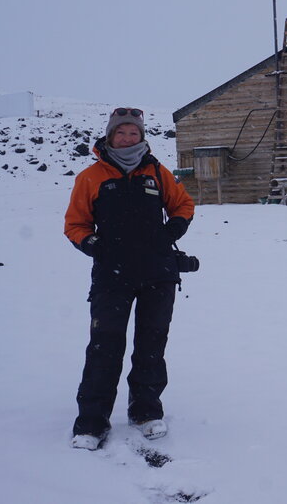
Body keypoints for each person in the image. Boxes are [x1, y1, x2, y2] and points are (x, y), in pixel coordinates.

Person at [63, 107, 195, 450]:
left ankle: (146, 411)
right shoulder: (91, 177)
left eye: (133, 133)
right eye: (121, 133)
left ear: (142, 137)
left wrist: (175, 227)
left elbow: (183, 204)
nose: (127, 138)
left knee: (151, 346)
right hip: (112, 276)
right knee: (104, 348)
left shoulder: (157, 172)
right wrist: (93, 245)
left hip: (158, 273)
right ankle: (92, 423)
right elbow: (75, 225)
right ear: (110, 137)